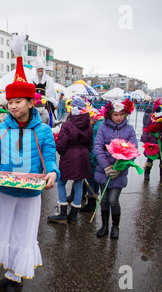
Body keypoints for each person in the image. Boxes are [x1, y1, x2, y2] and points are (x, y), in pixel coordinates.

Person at [0, 38, 59, 292]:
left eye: (19, 101)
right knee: (6, 229)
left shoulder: (43, 130)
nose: (14, 105)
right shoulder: (3, 128)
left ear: (31, 103)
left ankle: (16, 278)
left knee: (24, 232)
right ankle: (10, 272)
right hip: (6, 191)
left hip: (30, 194)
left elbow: (50, 157)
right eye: (10, 102)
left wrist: (53, 172)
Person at [93, 99, 137, 239]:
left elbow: (133, 150)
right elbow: (98, 148)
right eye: (115, 114)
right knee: (104, 199)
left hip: (120, 172)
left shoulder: (129, 129)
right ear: (110, 115)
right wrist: (106, 166)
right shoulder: (102, 128)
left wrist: (120, 169)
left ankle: (115, 226)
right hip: (103, 171)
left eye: (121, 114)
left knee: (113, 200)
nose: (119, 117)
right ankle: (104, 225)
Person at [48, 96, 92, 224]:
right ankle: (73, 215)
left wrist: (61, 151)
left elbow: (61, 144)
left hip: (69, 156)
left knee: (61, 182)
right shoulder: (88, 125)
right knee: (78, 184)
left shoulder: (67, 125)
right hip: (83, 156)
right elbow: (90, 144)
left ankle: (62, 213)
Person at [141, 98, 162, 183]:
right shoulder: (152, 115)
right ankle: (147, 172)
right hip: (153, 140)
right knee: (150, 157)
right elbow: (146, 126)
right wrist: (145, 137)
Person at [80, 106, 104, 213]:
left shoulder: (95, 130)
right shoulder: (99, 126)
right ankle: (92, 201)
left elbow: (94, 146)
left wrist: (90, 160)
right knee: (94, 181)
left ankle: (91, 203)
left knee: (91, 180)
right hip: (96, 160)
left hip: (93, 160)